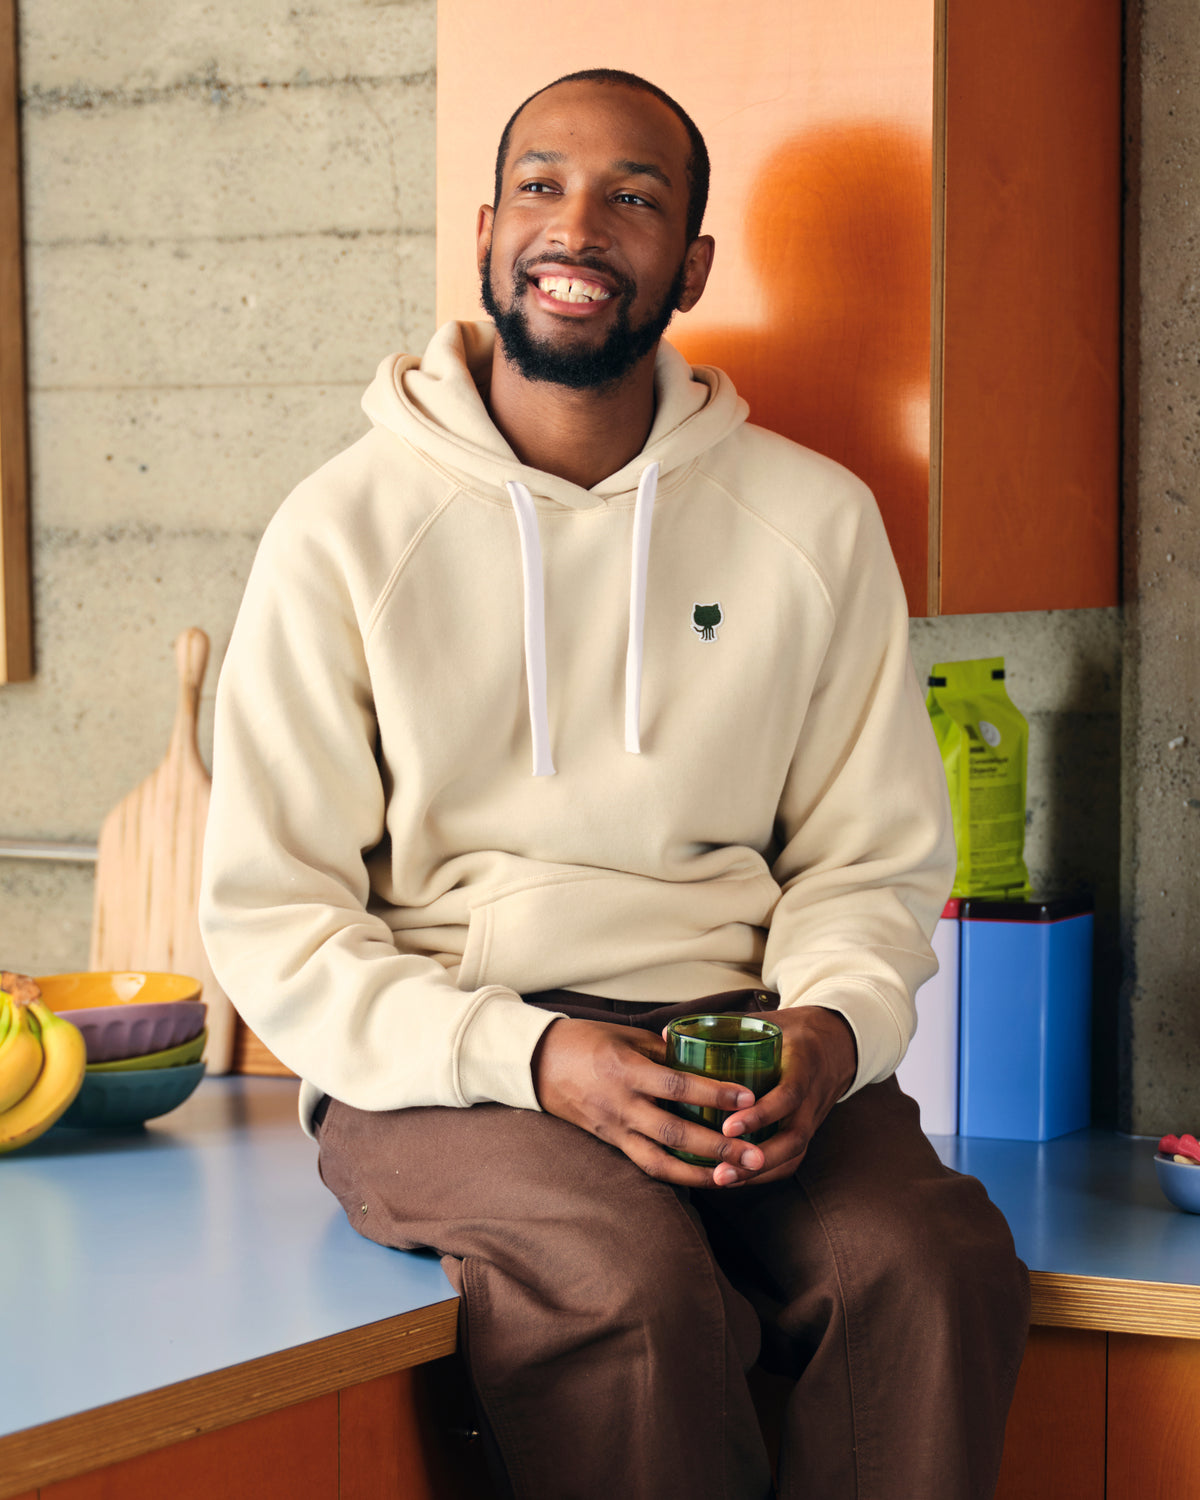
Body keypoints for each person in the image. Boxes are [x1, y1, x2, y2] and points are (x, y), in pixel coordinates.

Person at [200, 68, 1030, 1500]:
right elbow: (275, 917)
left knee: (933, 1260)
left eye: (633, 198)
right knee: (627, 1286)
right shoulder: (342, 529)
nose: (576, 227)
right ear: (485, 227)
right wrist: (527, 1056)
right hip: (448, 1059)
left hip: (743, 1044)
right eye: (542, 186)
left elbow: (868, 862)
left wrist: (835, 1026)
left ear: (690, 263)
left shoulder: (815, 521)